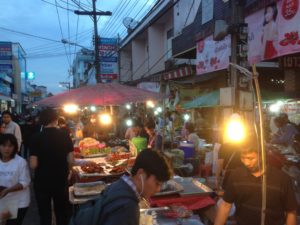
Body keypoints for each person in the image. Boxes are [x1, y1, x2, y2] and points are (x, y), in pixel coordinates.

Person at [76, 149, 172, 225]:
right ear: (141, 174)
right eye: (157, 183)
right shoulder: (127, 207)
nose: (158, 189)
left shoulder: (119, 185)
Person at [214, 137, 297, 225]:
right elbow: (226, 205)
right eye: (243, 158)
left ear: (262, 156)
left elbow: (291, 212)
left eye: (251, 158)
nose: (246, 163)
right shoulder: (236, 175)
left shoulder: (282, 179)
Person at [30, 108, 74, 225]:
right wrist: (69, 171)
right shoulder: (65, 135)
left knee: (45, 214)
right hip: (60, 179)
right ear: (56, 119)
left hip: (42, 181)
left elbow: (33, 164)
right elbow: (70, 159)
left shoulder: (36, 137)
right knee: (61, 212)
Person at [0, 134, 31, 225]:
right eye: (3, 145)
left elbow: (24, 182)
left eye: (10, 146)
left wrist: (8, 190)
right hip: (3, 201)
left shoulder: (20, 162)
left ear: (15, 147)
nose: (7, 149)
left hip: (18, 202)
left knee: (12, 223)